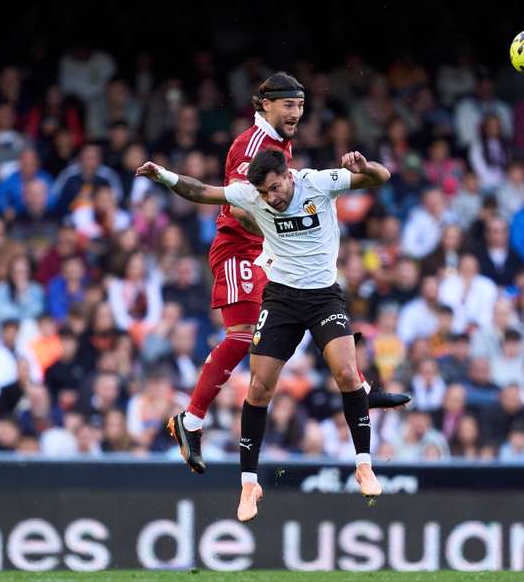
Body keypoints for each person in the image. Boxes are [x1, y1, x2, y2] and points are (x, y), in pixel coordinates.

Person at [156, 74, 409, 478]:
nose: (297, 113)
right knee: (244, 335)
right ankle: (189, 420)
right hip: (239, 248)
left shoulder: (278, 142)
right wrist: (279, 231)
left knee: (310, 300)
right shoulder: (253, 146)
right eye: (289, 105)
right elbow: (239, 207)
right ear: (265, 105)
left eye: (301, 105)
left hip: (264, 251)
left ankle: (359, 388)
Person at [138, 147, 393, 519]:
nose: (271, 198)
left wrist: (366, 168)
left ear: (288, 175)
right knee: (258, 387)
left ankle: (364, 465)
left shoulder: (319, 183)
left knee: (346, 372)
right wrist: (163, 175)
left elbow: (381, 177)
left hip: (323, 298)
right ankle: (248, 485)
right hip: (281, 298)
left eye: (275, 188)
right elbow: (201, 191)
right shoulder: (250, 195)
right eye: (263, 193)